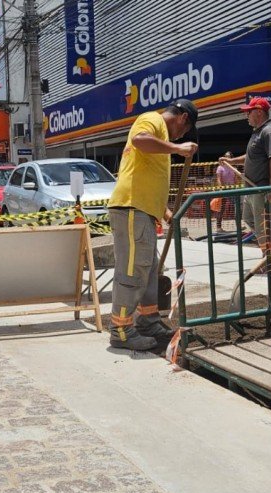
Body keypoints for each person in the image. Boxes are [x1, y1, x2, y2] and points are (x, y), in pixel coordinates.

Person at [107, 99, 199, 351]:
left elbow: (148, 180)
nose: (183, 135)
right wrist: (177, 148)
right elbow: (139, 140)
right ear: (182, 118)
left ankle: (148, 321)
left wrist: (167, 213)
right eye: (185, 129)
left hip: (143, 211)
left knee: (149, 272)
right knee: (132, 272)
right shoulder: (153, 120)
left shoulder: (161, 144)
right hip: (131, 208)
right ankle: (121, 331)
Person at [219, 97, 271, 252]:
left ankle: (270, 259)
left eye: (249, 112)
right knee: (248, 218)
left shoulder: (269, 131)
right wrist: (231, 161)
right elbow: (251, 157)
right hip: (251, 189)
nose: (246, 115)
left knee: (262, 225)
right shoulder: (257, 133)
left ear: (259, 112)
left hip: (261, 188)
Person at [214, 151, 237, 232]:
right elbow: (219, 179)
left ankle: (238, 227)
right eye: (226, 156)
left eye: (229, 157)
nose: (227, 158)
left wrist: (236, 188)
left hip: (232, 189)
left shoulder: (233, 168)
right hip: (224, 189)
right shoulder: (220, 167)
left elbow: (235, 179)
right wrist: (221, 188)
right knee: (221, 208)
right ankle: (218, 227)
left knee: (236, 208)